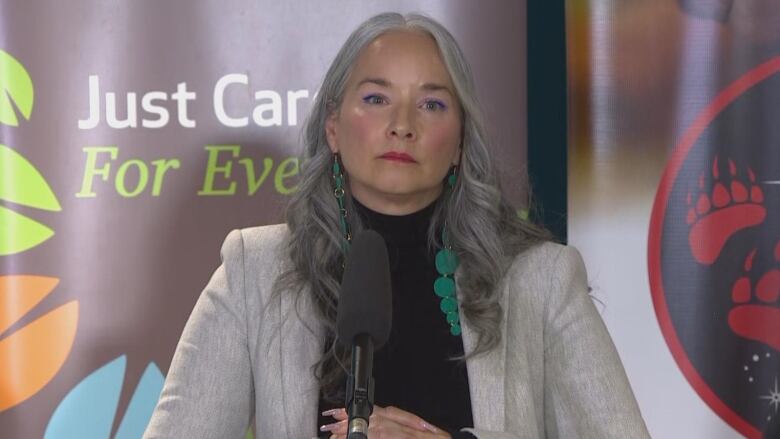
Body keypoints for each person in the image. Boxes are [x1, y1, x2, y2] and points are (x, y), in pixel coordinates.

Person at [144, 12, 650, 439]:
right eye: (376, 98)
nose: (403, 124)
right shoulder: (254, 270)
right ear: (334, 128)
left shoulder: (541, 280)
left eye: (432, 104)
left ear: (459, 143)